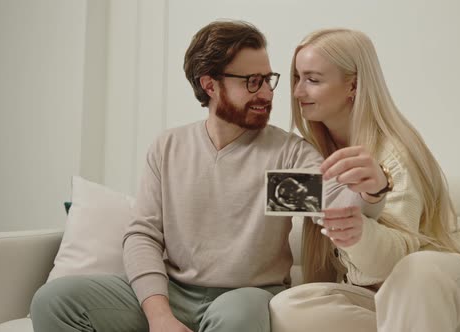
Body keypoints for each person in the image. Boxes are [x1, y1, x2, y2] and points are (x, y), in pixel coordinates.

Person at [30, 21, 380, 332]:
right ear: (210, 85)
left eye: (268, 80)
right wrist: (159, 315)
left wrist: (371, 192)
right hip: (173, 291)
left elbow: (332, 207)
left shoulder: (283, 153)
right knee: (55, 299)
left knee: (237, 317)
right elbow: (143, 236)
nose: (268, 94)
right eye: (252, 82)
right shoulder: (169, 147)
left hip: (246, 295)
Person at [269, 28, 460, 332]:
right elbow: (256, 199)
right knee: (288, 307)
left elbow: (391, 262)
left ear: (352, 85)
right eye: (296, 78)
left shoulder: (396, 152)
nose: (298, 92)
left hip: (449, 284)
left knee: (415, 271)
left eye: (312, 80)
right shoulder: (309, 156)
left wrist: (357, 232)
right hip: (385, 299)